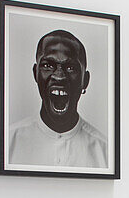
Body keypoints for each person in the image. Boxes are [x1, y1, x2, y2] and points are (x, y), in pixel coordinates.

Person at [8, 29, 108, 168]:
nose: (59, 76)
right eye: (48, 66)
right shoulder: (8, 142)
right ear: (35, 74)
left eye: (71, 68)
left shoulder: (105, 152)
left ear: (85, 80)